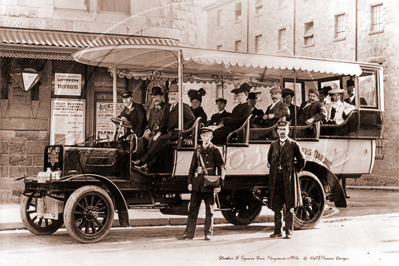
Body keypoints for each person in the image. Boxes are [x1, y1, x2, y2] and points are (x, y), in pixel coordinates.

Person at [133, 82, 196, 171]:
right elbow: (163, 122)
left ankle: (142, 160)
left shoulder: (183, 106)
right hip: (169, 134)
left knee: (159, 140)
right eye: (170, 94)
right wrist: (158, 132)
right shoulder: (169, 107)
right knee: (159, 144)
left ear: (179, 95)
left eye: (174, 94)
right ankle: (147, 165)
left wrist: (182, 130)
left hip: (177, 134)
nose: (172, 96)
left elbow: (192, 120)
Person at [177, 127, 225, 241]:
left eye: (208, 136)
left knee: (210, 210)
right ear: (201, 137)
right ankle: (189, 233)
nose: (206, 138)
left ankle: (208, 233)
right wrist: (189, 182)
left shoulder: (215, 150)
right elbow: (192, 167)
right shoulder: (197, 150)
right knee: (193, 209)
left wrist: (219, 184)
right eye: (204, 136)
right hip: (197, 183)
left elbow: (222, 167)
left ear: (211, 137)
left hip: (209, 183)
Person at [267, 121, 306, 239]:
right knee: (276, 206)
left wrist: (293, 172)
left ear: (288, 131)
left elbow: (302, 160)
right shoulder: (273, 145)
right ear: (277, 131)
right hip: (276, 179)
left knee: (289, 206)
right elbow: (269, 159)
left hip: (288, 179)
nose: (282, 132)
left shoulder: (293, 144)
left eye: (284, 129)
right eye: (280, 129)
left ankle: (289, 232)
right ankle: (277, 231)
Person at [135, 86, 168, 158]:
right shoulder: (152, 110)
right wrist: (148, 129)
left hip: (162, 133)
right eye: (153, 97)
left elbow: (166, 122)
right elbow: (149, 123)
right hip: (152, 132)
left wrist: (158, 132)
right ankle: (140, 161)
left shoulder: (166, 107)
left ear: (161, 96)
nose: (155, 99)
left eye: (157, 97)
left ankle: (148, 165)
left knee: (151, 141)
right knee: (141, 140)